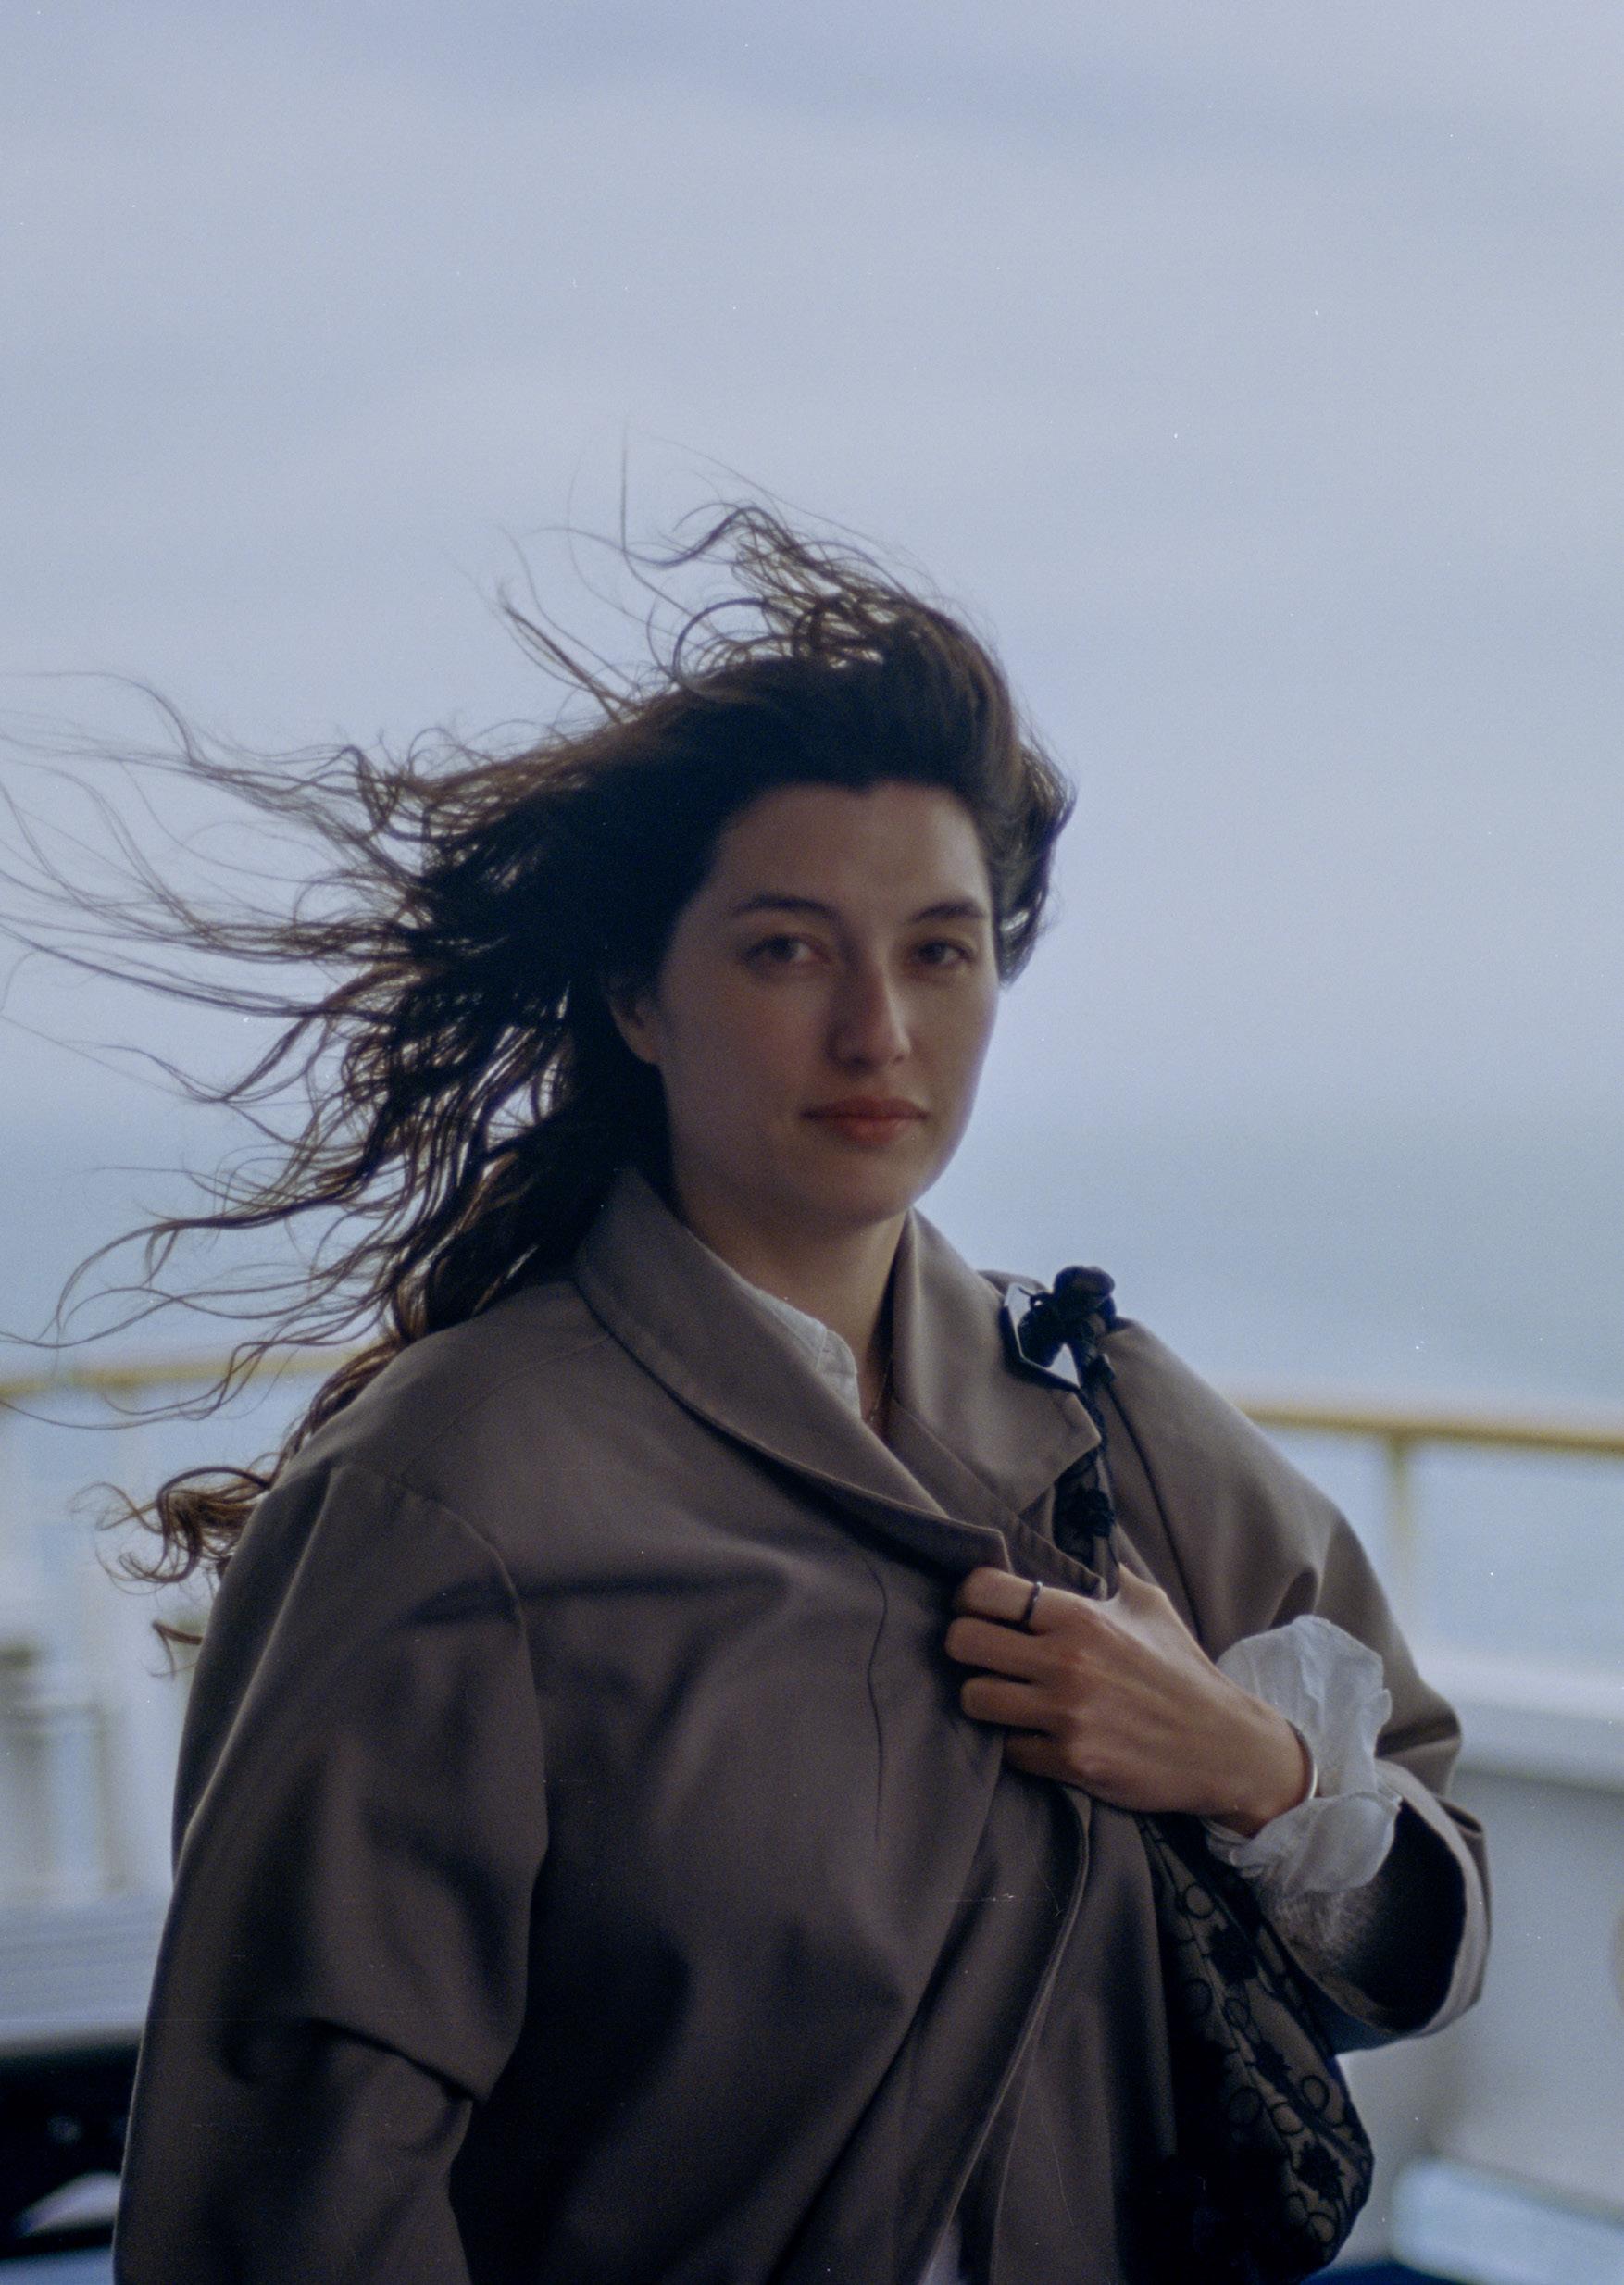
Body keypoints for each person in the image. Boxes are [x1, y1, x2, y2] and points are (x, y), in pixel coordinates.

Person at [83, 505, 1485, 2282]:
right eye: (784, 949)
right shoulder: (449, 1494)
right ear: (637, 996)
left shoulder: (1104, 1413)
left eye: (939, 950)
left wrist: (1252, 1770)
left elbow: (1434, 1932)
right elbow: (292, 2204)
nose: (878, 1032)